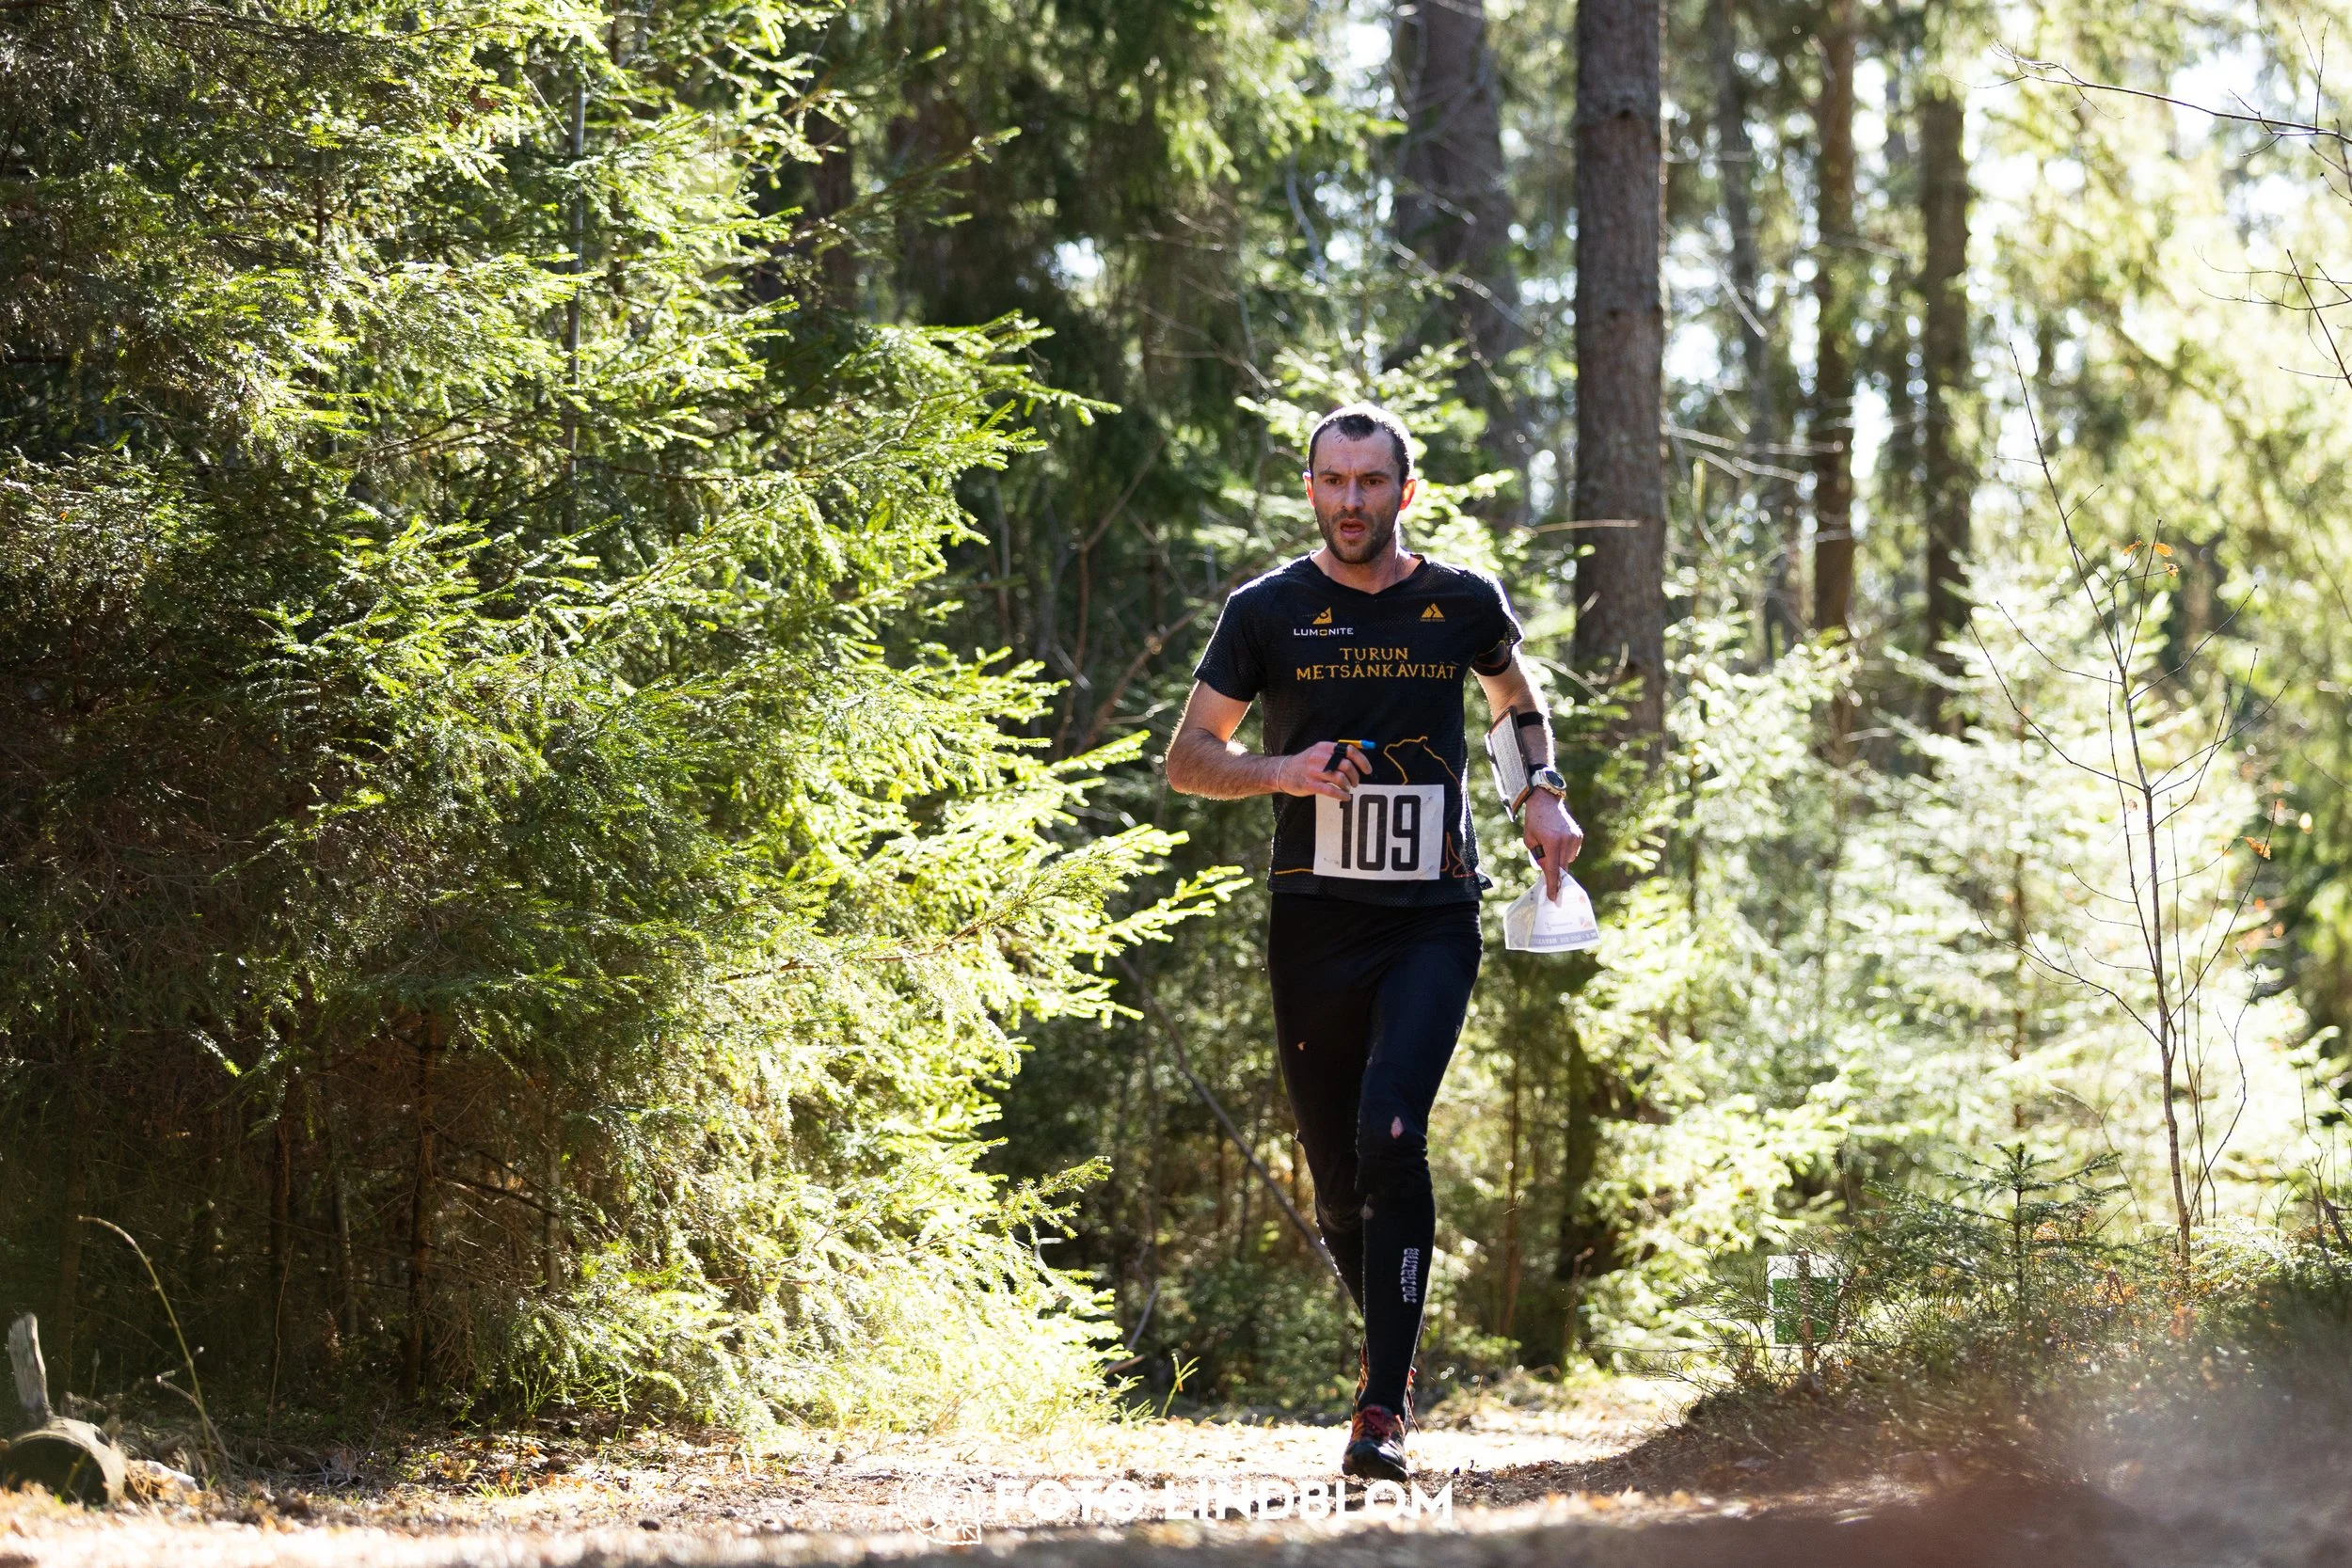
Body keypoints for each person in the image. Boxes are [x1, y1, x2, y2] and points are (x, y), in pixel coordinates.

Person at [1164, 403, 1584, 1481]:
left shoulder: (1458, 599)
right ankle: (1389, 1344)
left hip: (1430, 917)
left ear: (1407, 489)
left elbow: (1510, 698)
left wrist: (1539, 791)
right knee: (1341, 1182)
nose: (1350, 500)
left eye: (1369, 481)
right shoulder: (1267, 609)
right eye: (1331, 481)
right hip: (1312, 921)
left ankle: (1382, 1408)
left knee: (1392, 1128)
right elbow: (1188, 757)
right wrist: (1283, 771)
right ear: (1310, 489)